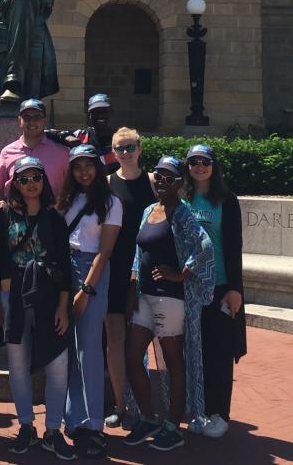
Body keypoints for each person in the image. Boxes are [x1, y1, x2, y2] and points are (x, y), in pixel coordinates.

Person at [122, 155, 215, 449]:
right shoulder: (151, 209)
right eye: (158, 176)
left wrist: (181, 273)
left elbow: (205, 245)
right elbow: (139, 252)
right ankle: (149, 418)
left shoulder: (182, 213)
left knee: (174, 361)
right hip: (144, 297)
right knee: (132, 357)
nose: (162, 181)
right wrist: (132, 285)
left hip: (169, 299)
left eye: (169, 177)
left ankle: (173, 426)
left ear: (180, 183)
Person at [0, 156, 74, 460]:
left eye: (36, 176)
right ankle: (26, 425)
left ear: (44, 180)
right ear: (15, 184)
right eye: (23, 179)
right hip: (14, 299)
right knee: (18, 364)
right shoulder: (4, 217)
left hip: (50, 299)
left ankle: (53, 430)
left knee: (58, 364)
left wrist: (65, 307)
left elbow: (66, 266)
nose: (31, 183)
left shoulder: (55, 218)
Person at [56, 145, 121, 457]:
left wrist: (86, 290)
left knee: (89, 349)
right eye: (77, 166)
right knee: (68, 346)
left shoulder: (111, 202)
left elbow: (105, 252)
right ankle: (74, 419)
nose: (83, 171)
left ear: (98, 168)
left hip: (90, 270)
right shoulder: (66, 199)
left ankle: (93, 422)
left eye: (89, 165)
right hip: (64, 269)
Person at [186, 143, 246, 440]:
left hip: (219, 285)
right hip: (188, 286)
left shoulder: (226, 200)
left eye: (204, 161)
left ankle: (219, 413)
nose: (199, 166)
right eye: (193, 161)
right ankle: (197, 408)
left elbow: (235, 247)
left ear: (214, 165)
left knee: (218, 351)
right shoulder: (181, 198)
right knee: (193, 351)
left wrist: (235, 288)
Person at [104, 127, 155, 428]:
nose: (125, 153)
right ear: (113, 152)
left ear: (139, 149)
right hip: (115, 269)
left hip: (147, 270)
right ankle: (120, 404)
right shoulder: (107, 183)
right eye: (120, 148)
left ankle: (145, 403)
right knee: (115, 338)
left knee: (142, 340)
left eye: (130, 147)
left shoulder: (152, 182)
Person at [0, 98, 68, 198]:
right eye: (27, 118)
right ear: (20, 121)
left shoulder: (62, 153)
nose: (32, 122)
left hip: (51, 213)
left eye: (37, 118)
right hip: (15, 212)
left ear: (44, 121)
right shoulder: (7, 152)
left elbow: (71, 188)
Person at [46, 93, 119, 172]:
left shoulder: (122, 139)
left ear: (112, 113)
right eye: (95, 112)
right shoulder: (81, 135)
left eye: (104, 111)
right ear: (89, 116)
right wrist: (65, 137)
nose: (100, 115)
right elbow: (48, 133)